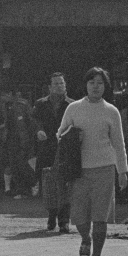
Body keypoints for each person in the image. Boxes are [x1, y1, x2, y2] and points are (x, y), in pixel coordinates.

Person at [57, 67, 128, 256]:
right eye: (92, 82)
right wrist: (68, 136)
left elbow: (118, 143)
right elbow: (60, 134)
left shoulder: (111, 111)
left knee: (100, 216)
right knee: (79, 216)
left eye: (100, 83)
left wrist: (122, 170)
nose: (95, 87)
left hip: (104, 170)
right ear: (85, 85)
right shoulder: (73, 109)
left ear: (106, 87)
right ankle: (85, 238)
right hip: (78, 170)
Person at [32, 72, 74, 232]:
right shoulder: (41, 104)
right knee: (49, 185)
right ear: (49, 87)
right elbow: (34, 121)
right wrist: (39, 131)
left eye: (61, 83)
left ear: (65, 86)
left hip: (65, 150)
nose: (59, 86)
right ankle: (51, 216)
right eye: (55, 84)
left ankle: (64, 220)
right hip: (47, 149)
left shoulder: (72, 105)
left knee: (65, 185)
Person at [0, 85, 38, 199]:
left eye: (4, 95)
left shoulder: (22, 104)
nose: (2, 98)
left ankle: (33, 183)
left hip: (23, 139)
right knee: (14, 165)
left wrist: (30, 138)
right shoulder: (5, 106)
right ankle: (21, 190)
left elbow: (31, 121)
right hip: (10, 139)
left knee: (23, 164)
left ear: (10, 94)